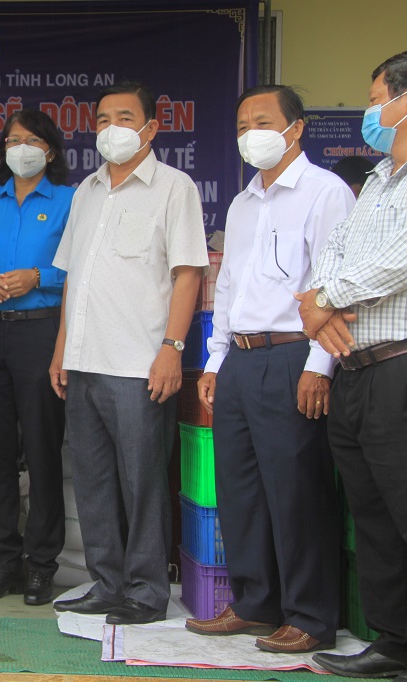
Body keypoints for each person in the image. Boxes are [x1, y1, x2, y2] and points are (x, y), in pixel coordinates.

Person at [185, 85, 353, 653]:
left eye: (262, 120)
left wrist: (319, 366)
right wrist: (215, 359)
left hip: (293, 358)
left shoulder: (324, 193)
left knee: (297, 492)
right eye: (241, 124)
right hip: (240, 360)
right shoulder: (242, 202)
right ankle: (255, 603)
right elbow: (227, 286)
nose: (249, 132)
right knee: (242, 490)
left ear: (297, 127)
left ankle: (308, 614)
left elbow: (332, 291)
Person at [50, 81, 208, 625]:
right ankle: (105, 581)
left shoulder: (173, 187)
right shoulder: (86, 191)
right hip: (84, 360)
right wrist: (60, 350)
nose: (111, 127)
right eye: (102, 118)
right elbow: (73, 279)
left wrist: (172, 348)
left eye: (124, 116)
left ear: (150, 126)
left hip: (140, 364)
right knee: (92, 480)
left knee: (143, 483)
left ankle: (145, 591)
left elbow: (188, 274)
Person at [298, 51, 407, 679]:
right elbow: (333, 254)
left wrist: (325, 302)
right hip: (355, 370)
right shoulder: (375, 180)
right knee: (373, 515)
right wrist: (322, 303)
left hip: (398, 368)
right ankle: (394, 641)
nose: (370, 111)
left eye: (375, 99)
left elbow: (395, 262)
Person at [0, 109, 74, 607]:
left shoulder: (72, 200)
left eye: (30, 140)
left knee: (44, 449)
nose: (20, 147)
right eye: (12, 140)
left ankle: (41, 565)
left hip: (42, 333)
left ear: (49, 149)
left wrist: (38, 277)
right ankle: (4, 560)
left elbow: (82, 266)